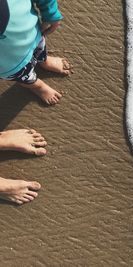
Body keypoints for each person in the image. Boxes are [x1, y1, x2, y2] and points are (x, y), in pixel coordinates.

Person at [0, 0, 72, 204]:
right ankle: (36, 84)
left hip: (33, 33)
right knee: (25, 76)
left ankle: (43, 61)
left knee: (39, 49)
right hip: (8, 63)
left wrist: (50, 11)